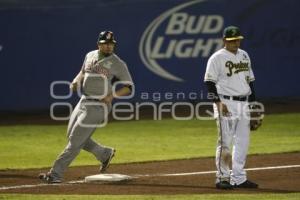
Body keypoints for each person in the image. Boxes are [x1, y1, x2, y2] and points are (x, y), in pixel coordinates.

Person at [39, 31, 134, 183]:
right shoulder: (90, 55)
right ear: (99, 44)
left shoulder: (118, 63)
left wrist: (112, 96)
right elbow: (83, 72)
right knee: (72, 136)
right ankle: (104, 154)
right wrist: (76, 81)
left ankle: (55, 174)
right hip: (83, 100)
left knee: (75, 142)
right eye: (105, 43)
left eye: (111, 44)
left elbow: (129, 87)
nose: (109, 46)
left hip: (98, 106)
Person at [204, 26, 258, 189]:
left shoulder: (244, 55)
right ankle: (222, 177)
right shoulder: (217, 58)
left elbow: (250, 82)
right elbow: (209, 82)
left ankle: (239, 178)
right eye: (232, 40)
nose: (235, 42)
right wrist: (218, 102)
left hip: (244, 103)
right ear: (224, 41)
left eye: (237, 39)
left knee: (243, 142)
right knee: (225, 142)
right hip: (225, 103)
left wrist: (253, 106)